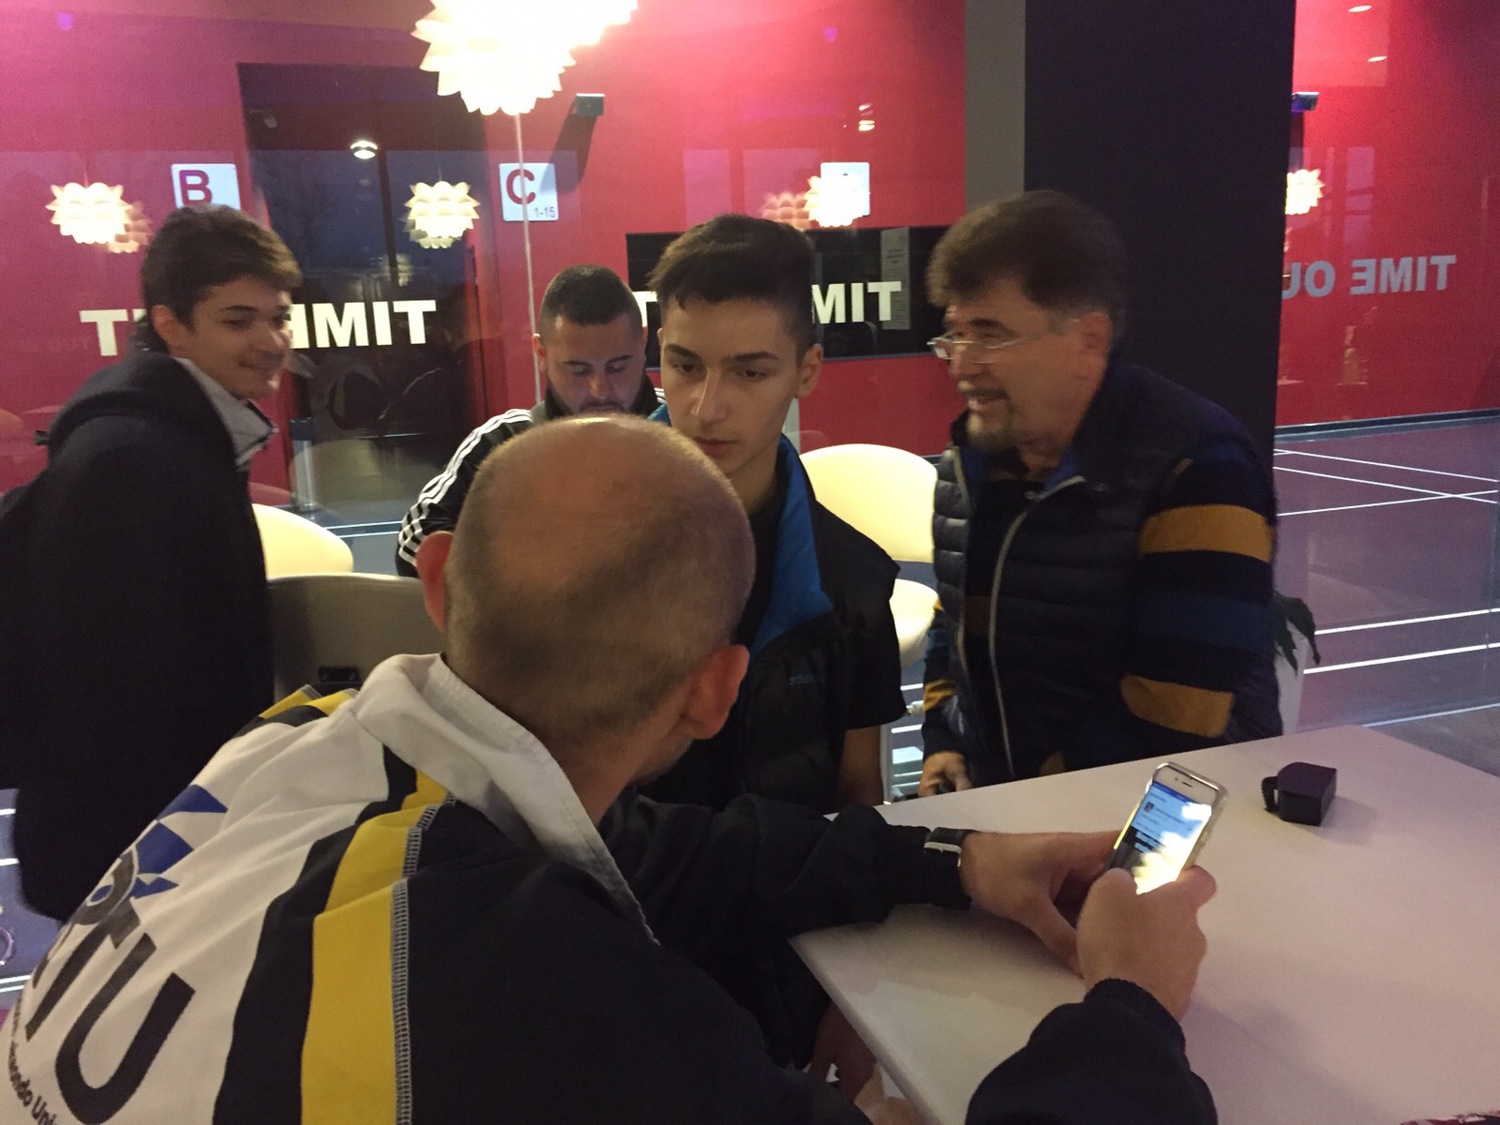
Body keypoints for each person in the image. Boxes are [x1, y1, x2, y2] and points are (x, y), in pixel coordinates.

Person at [0, 417, 1218, 1124]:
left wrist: (959, 860)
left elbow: (667, 851)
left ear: (437, 585)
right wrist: (1132, 1008)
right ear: (715, 690)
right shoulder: (551, 1007)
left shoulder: (297, 744)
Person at [920, 190, 1280, 797]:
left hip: (1148, 820)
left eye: (990, 335)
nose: (961, 364)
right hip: (1016, 811)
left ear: (1089, 339)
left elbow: (1177, 711)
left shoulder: (1200, 468)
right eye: (954, 334)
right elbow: (953, 618)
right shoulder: (976, 459)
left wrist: (1027, 803)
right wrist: (946, 741)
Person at [8, 205, 300, 921]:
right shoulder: (133, 460)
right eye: (238, 320)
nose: (270, 342)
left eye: (279, 317)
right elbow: (121, 698)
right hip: (133, 857)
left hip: (146, 844)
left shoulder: (170, 437)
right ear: (170, 323)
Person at [642, 213, 904, 812]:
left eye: (750, 372)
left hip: (796, 873)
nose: (706, 408)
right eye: (686, 366)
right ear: (660, 351)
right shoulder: (585, 543)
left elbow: (858, 795)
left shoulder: (852, 578)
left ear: (806, 371)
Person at [393, 263, 660, 575]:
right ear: (541, 354)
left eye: (617, 367)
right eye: (578, 370)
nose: (600, 389)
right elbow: (416, 539)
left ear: (642, 343)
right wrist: (518, 585)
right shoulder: (503, 440)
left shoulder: (686, 425)